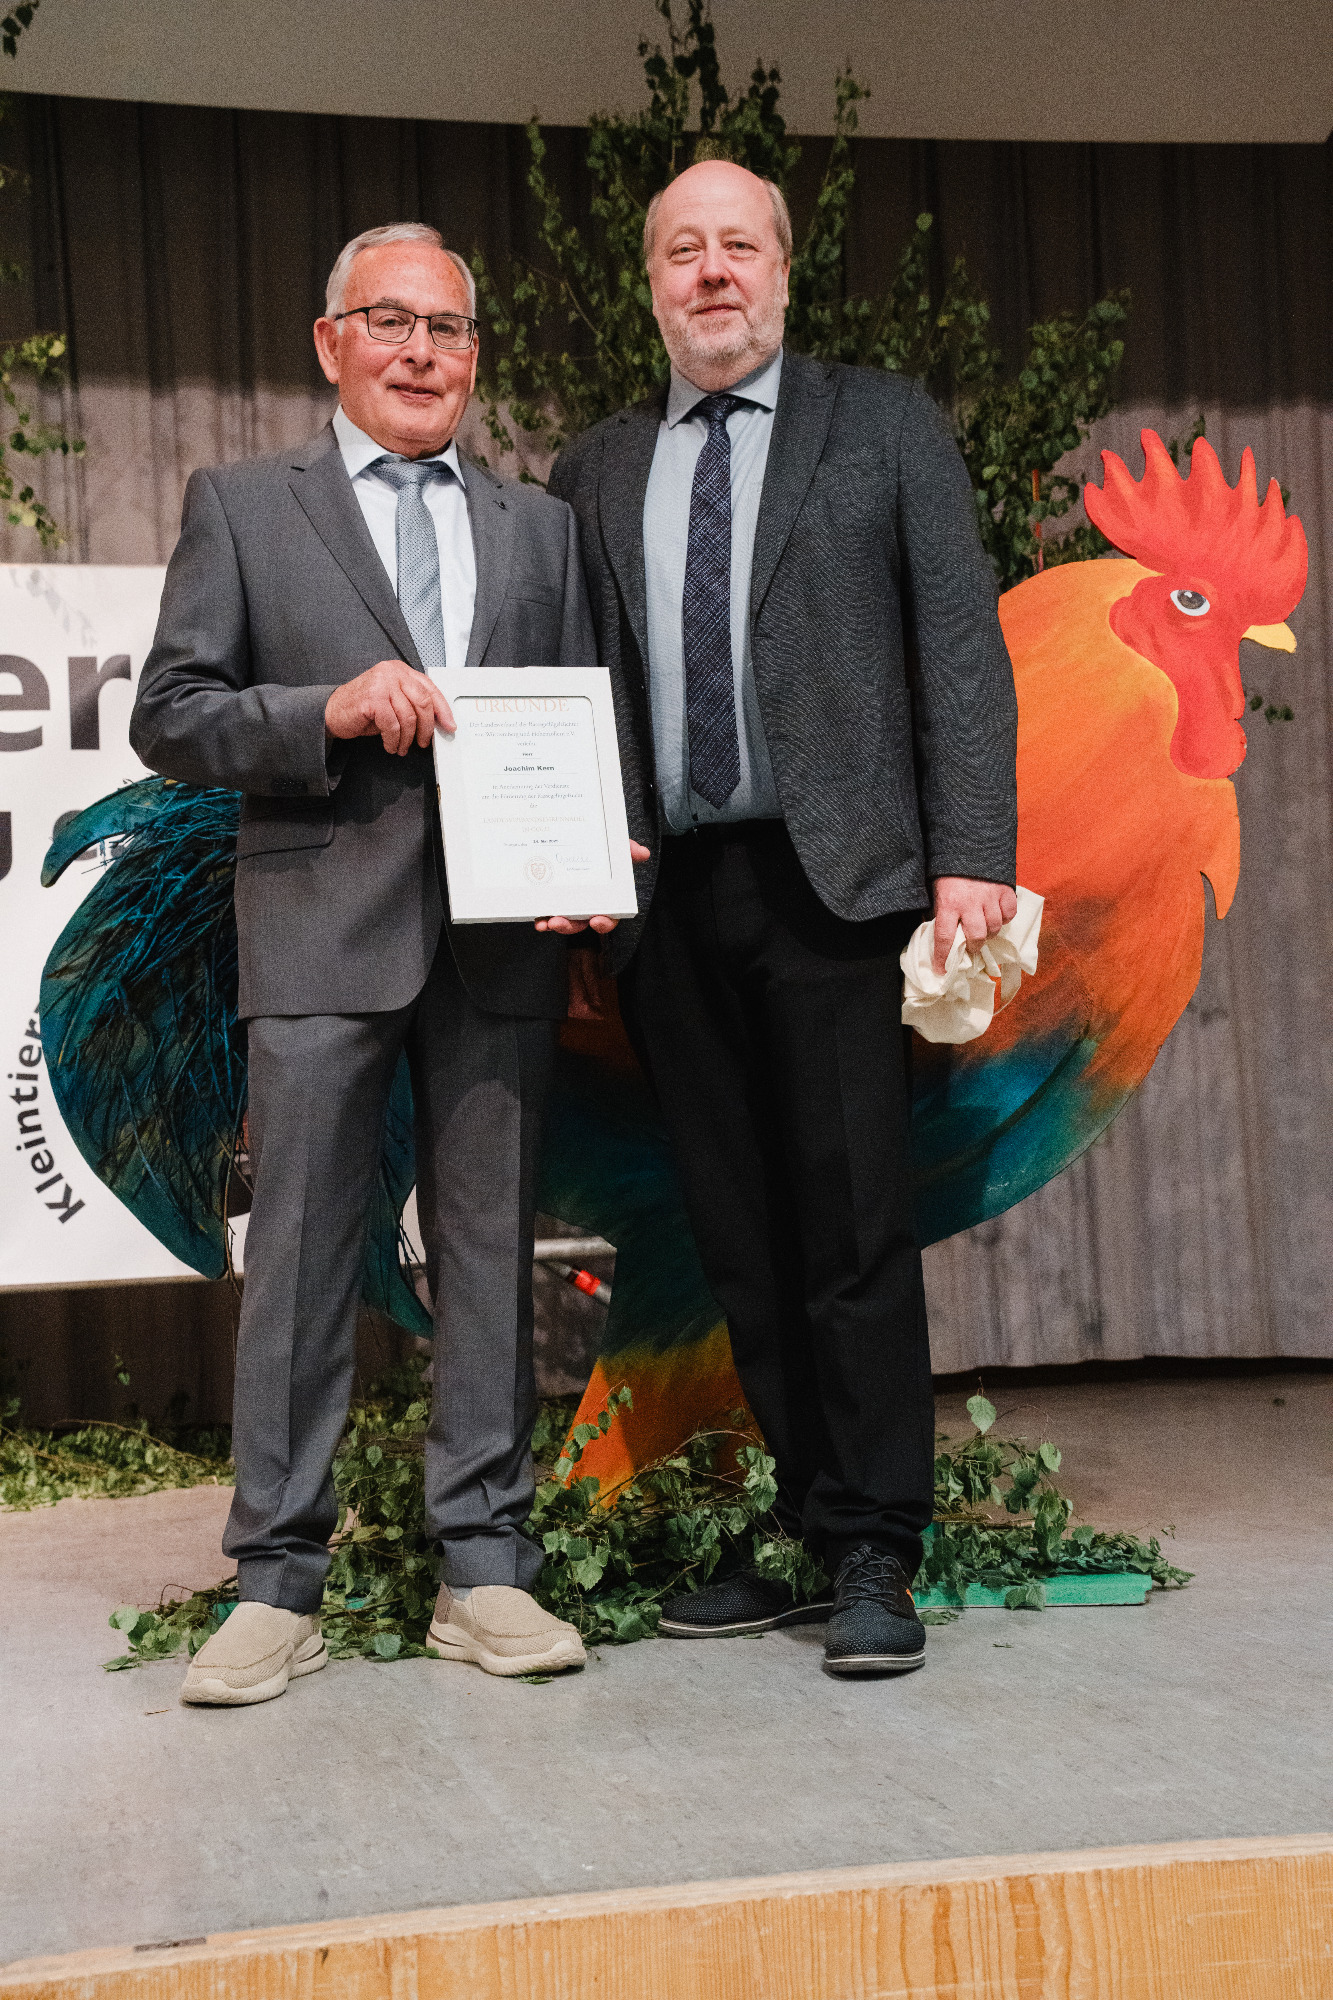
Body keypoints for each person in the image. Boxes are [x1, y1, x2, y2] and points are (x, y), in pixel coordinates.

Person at [131, 221, 631, 1704]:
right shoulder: (243, 506)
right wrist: (324, 712)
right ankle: (276, 1583)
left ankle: (484, 1568)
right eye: (391, 322)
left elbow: (583, 718)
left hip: (501, 945)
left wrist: (599, 862)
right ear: (330, 340)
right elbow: (172, 714)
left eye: (449, 330)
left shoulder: (540, 529)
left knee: (488, 1255)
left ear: (475, 357)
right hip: (317, 933)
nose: (421, 352)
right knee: (296, 1260)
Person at [548, 161, 1019, 1679]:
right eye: (682, 250)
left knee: (852, 1227)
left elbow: (959, 646)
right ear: (650, 284)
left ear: (783, 269)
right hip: (669, 904)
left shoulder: (881, 425)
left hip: (842, 887)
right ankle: (814, 1526)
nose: (712, 273)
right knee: (740, 1234)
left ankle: (878, 1540)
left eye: (737, 246)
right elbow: (576, 687)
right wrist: (574, 868)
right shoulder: (595, 466)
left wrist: (973, 853)